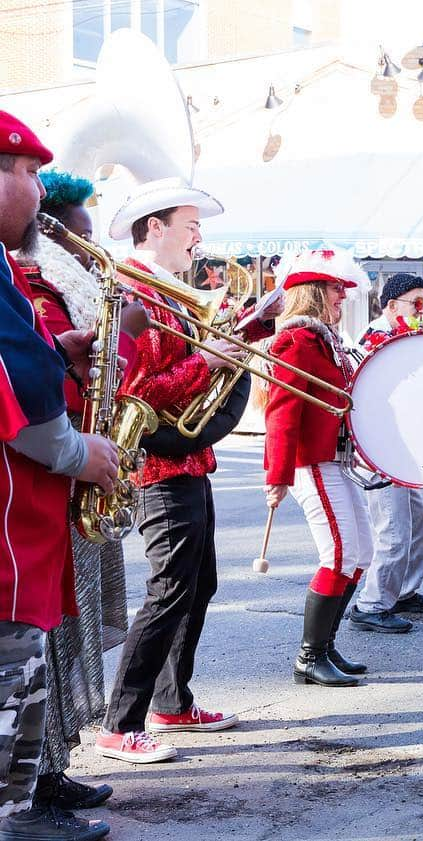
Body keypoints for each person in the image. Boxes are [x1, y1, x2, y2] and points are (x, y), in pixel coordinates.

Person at [95, 177, 251, 764]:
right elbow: (135, 391)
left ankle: (172, 702)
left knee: (198, 584)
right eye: (190, 225)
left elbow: (178, 378)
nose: (198, 237)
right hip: (159, 463)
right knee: (169, 590)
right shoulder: (136, 292)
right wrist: (205, 361)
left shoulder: (174, 294)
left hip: (190, 458)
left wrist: (220, 353)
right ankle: (120, 722)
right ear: (154, 228)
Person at [0, 110, 117, 841]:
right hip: (11, 523)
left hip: (24, 523)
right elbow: (16, 384)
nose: (38, 191)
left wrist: (60, 345)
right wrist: (82, 454)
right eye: (26, 172)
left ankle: (18, 810)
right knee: (8, 684)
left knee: (24, 676)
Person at [17, 171, 145, 814]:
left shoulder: (58, 286)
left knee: (65, 635)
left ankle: (52, 763)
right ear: (55, 234)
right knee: (46, 641)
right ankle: (34, 782)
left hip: (74, 473)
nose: (89, 247)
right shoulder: (31, 286)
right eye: (80, 235)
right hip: (53, 480)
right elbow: (33, 390)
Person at [263, 250, 373, 686]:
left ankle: (325, 646)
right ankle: (310, 656)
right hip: (314, 461)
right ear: (313, 295)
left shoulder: (326, 341)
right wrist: (278, 475)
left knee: (362, 553)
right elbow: (282, 411)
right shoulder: (298, 342)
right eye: (334, 290)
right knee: (341, 553)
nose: (341, 297)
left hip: (337, 459)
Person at [346, 273, 423, 634]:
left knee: (414, 520)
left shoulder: (402, 337)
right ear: (391, 306)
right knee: (393, 526)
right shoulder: (377, 341)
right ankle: (372, 603)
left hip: (399, 445)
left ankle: (402, 590)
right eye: (416, 303)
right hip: (381, 447)